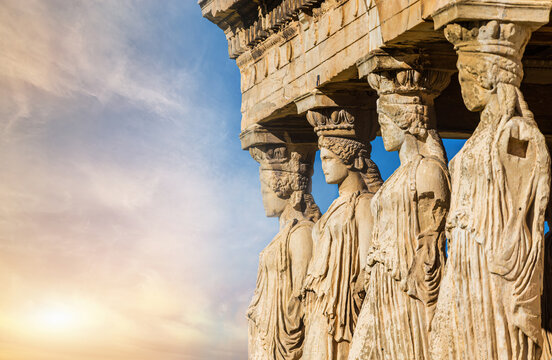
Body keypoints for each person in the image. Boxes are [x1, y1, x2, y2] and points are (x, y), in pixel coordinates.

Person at [302, 108, 383, 360]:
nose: (323, 166)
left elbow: (368, 267)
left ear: (348, 159)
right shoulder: (330, 212)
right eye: (322, 158)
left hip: (346, 310)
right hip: (322, 307)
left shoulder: (364, 204)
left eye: (328, 159)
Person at [247, 142, 321, 360]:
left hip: (287, 340)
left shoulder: (301, 233)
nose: (263, 196)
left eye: (265, 189)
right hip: (268, 336)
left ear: (282, 188)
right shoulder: (282, 236)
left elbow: (302, 298)